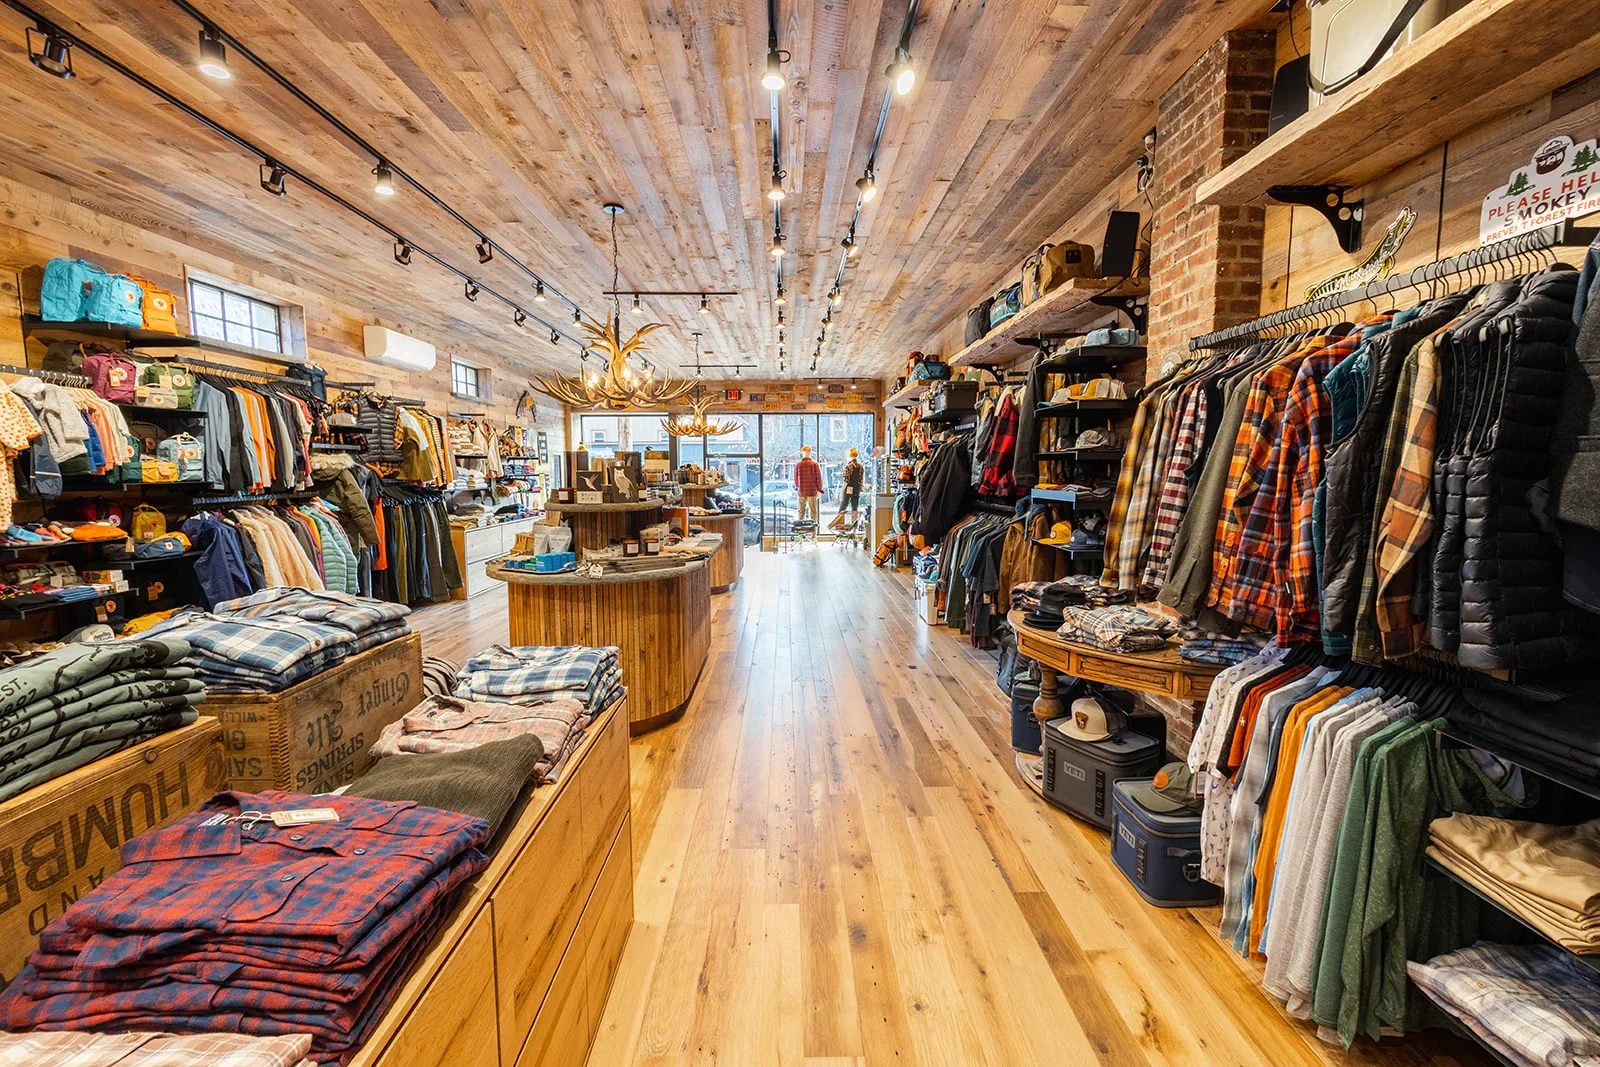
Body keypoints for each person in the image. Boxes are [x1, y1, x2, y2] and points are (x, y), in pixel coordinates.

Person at [830, 447, 864, 530]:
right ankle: (854, 526)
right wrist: (859, 489)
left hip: (849, 488)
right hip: (856, 489)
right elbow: (861, 480)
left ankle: (839, 525)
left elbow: (846, 481)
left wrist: (842, 492)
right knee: (854, 507)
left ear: (849, 456)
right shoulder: (860, 467)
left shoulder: (848, 467)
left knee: (843, 507)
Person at [793, 445, 822, 525]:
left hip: (802, 491)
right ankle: (813, 531)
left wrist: (798, 487)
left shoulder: (798, 464)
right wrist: (819, 489)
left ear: (802, 452)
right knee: (813, 512)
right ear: (810, 452)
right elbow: (818, 478)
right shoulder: (814, 464)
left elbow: (795, 478)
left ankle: (801, 530)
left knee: (801, 512)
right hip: (812, 491)